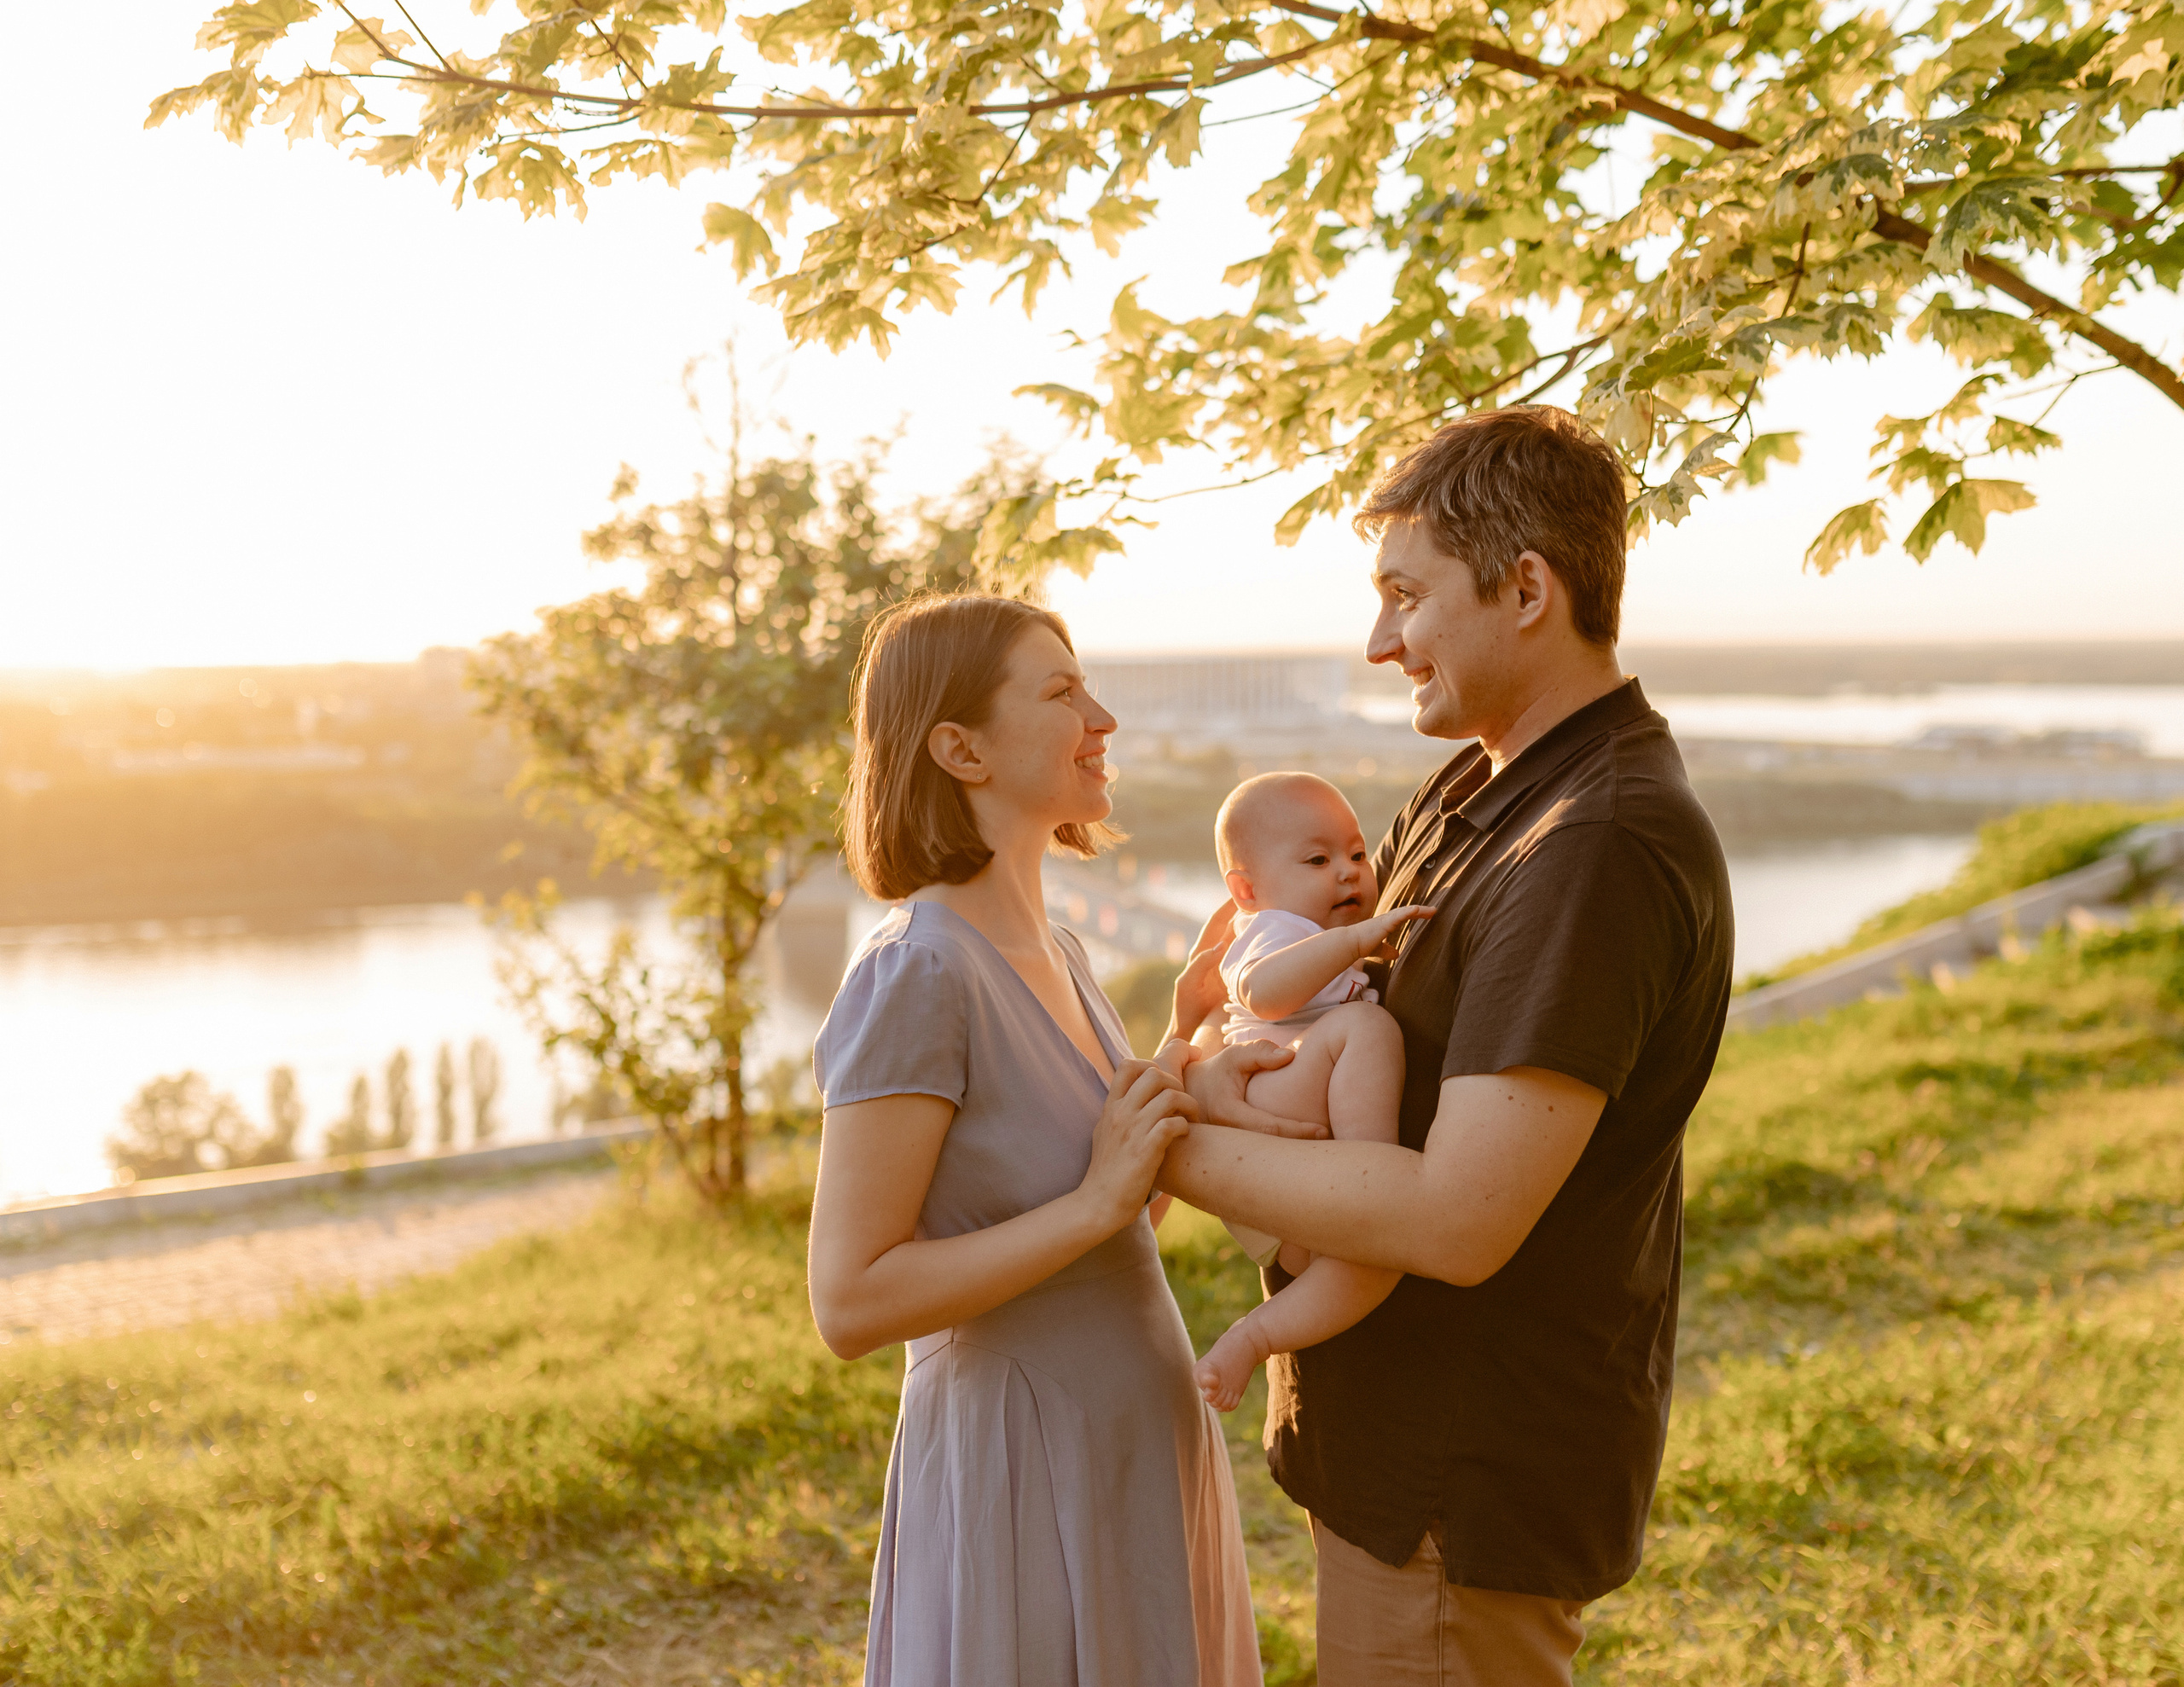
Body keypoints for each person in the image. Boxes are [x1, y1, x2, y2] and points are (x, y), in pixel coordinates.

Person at [1156, 406, 1736, 1687]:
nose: (1378, 642)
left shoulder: (1596, 842)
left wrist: (1165, 1148)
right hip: (1391, 1454)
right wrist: (1214, 1064)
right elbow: (1319, 1031)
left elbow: (1458, 1217)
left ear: (1527, 587)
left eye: (1405, 597)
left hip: (1462, 1479)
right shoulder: (1473, 790)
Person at [804, 592, 1266, 1687]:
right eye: (1061, 692)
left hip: (1133, 1460)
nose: (1099, 715)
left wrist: (1183, 1044)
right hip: (1020, 1479)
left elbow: (1113, 1218)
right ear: (958, 747)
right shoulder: (917, 972)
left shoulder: (1058, 948)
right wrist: (1098, 1201)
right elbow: (850, 1300)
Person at [1186, 771, 1431, 1411]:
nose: (1349, 873)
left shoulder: (1311, 931)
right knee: (1364, 1027)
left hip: (1283, 1132)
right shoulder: (1269, 931)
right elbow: (1266, 994)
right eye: (1318, 860)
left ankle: (1254, 1337)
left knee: (1373, 1264)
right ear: (1248, 889)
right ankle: (1369, 1174)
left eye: (1356, 854)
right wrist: (1352, 942)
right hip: (1268, 1096)